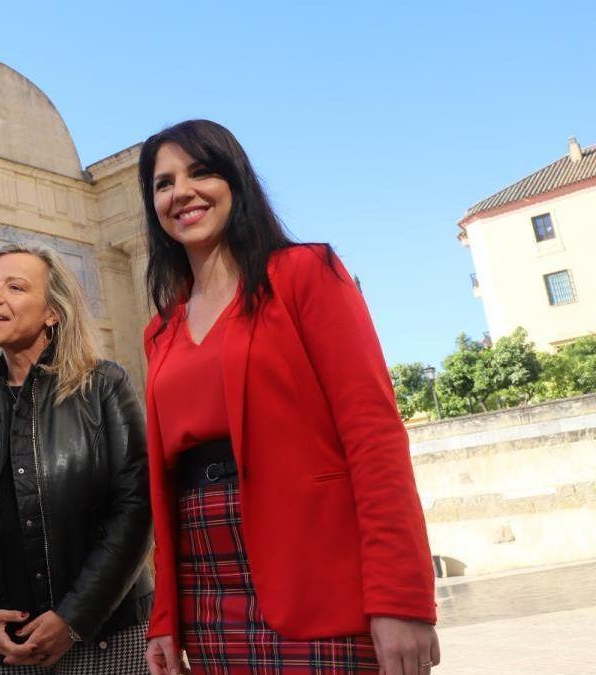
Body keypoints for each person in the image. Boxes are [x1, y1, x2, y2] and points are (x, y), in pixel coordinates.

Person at [137, 120, 439, 675]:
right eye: (163, 182)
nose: (181, 191)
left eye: (200, 172)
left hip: (314, 565)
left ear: (237, 181)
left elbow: (373, 435)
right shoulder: (160, 330)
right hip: (203, 574)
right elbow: (163, 480)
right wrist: (164, 617)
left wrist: (401, 597)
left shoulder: (306, 274)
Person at [0, 243, 154, 674]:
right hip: (5, 650)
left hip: (104, 640)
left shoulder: (103, 386)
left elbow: (136, 508)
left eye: (14, 287)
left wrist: (73, 619)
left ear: (53, 312)